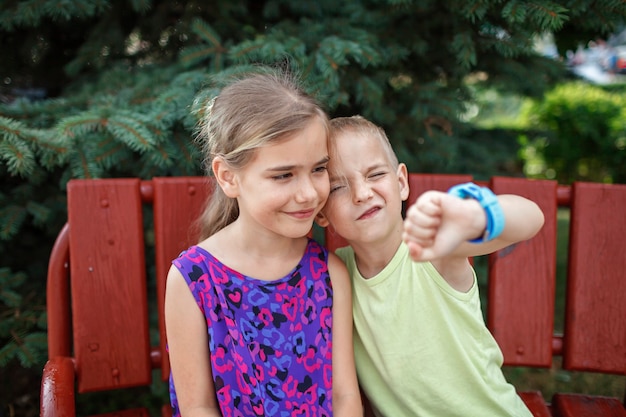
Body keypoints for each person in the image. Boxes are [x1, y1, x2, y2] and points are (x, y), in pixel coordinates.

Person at [315, 115, 544, 417]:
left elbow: (531, 217)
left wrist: (477, 215)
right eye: (337, 188)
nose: (362, 193)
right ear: (321, 213)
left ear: (401, 183)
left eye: (374, 175)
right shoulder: (335, 275)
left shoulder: (434, 249)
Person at [164, 70, 362, 417]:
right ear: (228, 177)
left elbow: (345, 397)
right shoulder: (193, 280)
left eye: (318, 169)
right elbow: (198, 407)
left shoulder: (329, 275)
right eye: (283, 175)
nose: (308, 193)